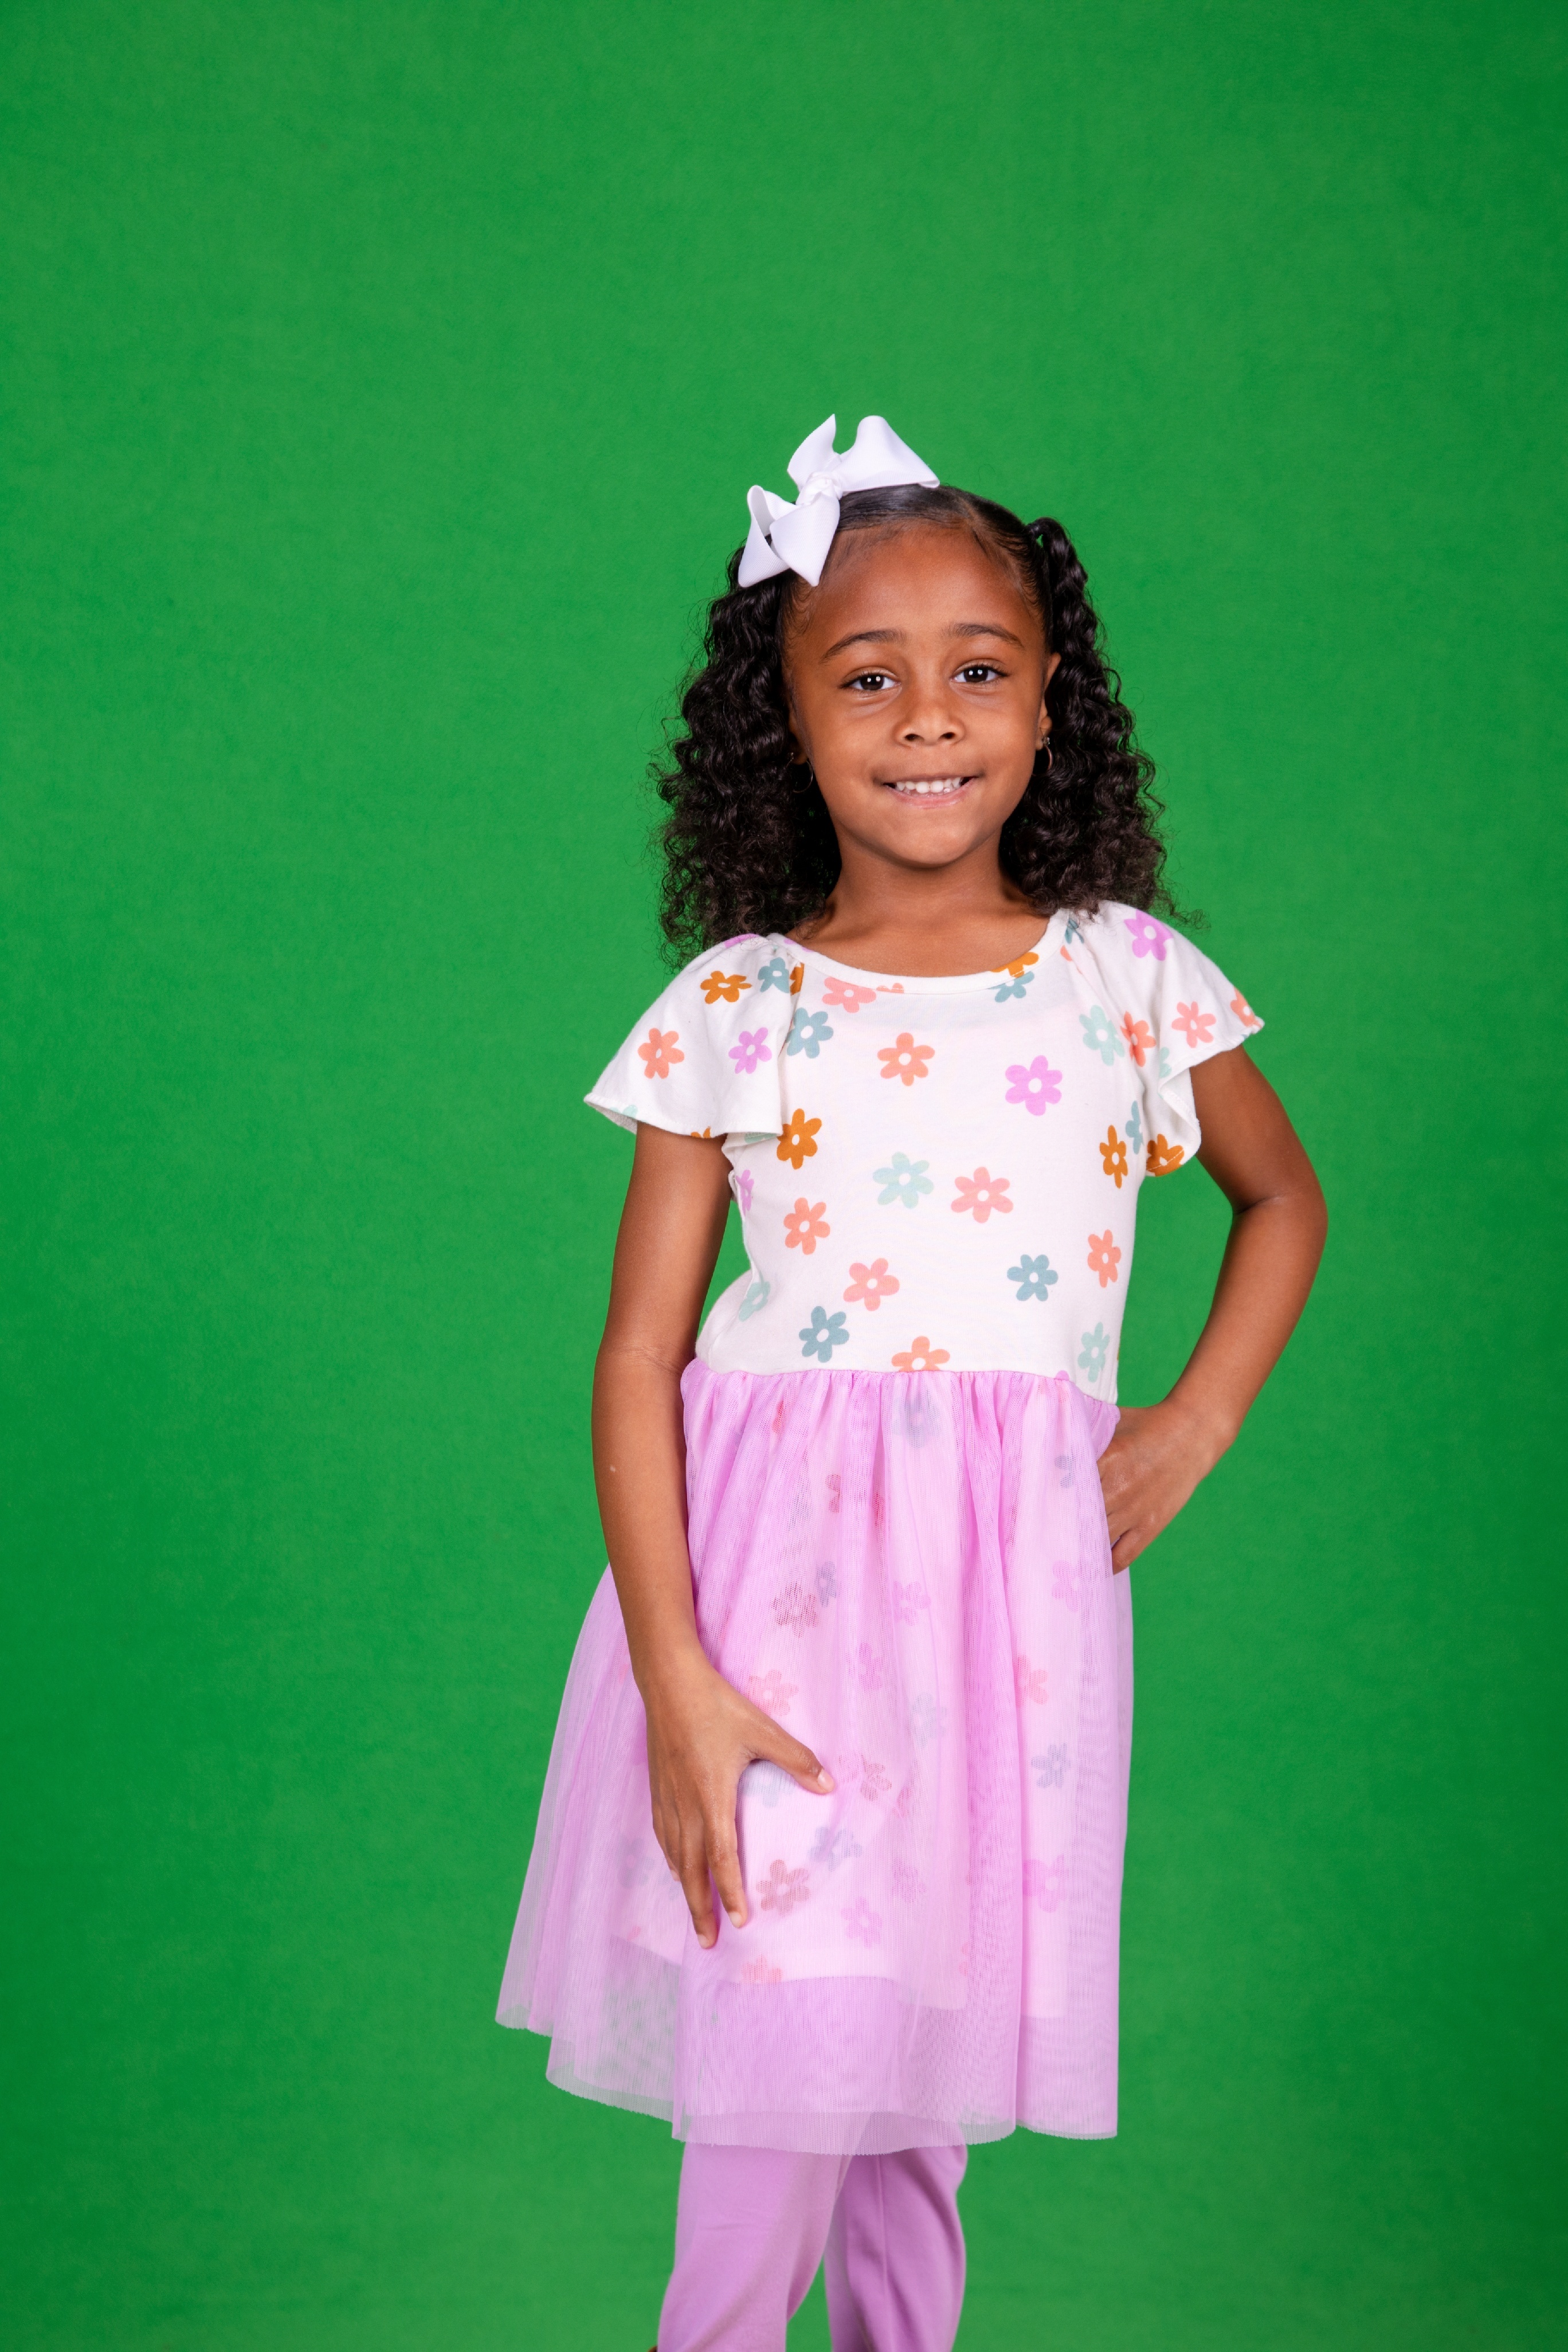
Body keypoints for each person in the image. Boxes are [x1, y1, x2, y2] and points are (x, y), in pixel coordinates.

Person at [497, 415, 1326, 2352]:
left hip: (1001, 1630)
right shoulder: (740, 1003)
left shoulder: (1125, 980)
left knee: (915, 2116)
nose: (929, 715)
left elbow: (1282, 1198)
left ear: (1051, 706)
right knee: (773, 2082)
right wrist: (677, 1677)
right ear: (784, 720)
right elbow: (638, 1354)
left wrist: (1195, 1418)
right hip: (766, 1623)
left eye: (979, 669)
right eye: (868, 677)